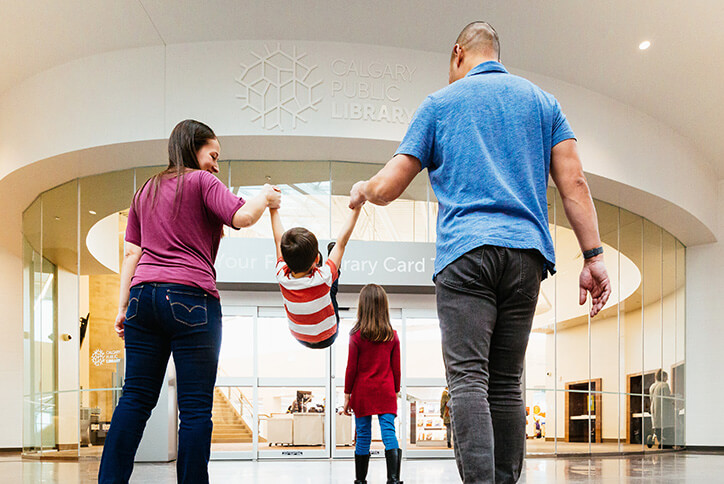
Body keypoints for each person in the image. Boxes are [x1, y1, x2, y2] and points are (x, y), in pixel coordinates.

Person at [349, 21, 611, 484]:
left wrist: (363, 189)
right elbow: (574, 182)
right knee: (507, 381)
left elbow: (389, 185)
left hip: (465, 253)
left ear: (458, 54)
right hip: (526, 256)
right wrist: (593, 257)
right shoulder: (542, 102)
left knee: (469, 378)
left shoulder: (439, 104)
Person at [98, 119, 281, 484]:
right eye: (213, 155)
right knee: (196, 410)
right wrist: (267, 196)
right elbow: (242, 216)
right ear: (193, 148)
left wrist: (122, 307)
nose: (216, 164)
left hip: (141, 298)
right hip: (191, 298)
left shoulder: (145, 191)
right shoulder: (202, 182)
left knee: (134, 400)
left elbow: (131, 253)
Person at [270, 204, 361, 349]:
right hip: (328, 335)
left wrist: (272, 207)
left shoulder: (282, 275)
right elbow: (341, 242)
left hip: (300, 336)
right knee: (330, 290)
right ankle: (334, 268)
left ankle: (334, 266)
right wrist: (357, 207)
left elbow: (278, 240)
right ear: (316, 260)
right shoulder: (323, 277)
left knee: (328, 282)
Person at [343, 284, 403, 484]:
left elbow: (351, 368)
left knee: (363, 435)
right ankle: (393, 480)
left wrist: (347, 395)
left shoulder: (356, 335)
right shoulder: (392, 336)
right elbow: (396, 369)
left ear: (363, 307)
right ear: (383, 307)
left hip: (362, 392)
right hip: (385, 391)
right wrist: (395, 391)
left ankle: (360, 481)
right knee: (388, 432)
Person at [650, 369, 675, 449]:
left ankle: (661, 442)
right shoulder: (664, 385)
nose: (667, 379)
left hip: (654, 409)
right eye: (666, 377)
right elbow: (667, 397)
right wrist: (674, 397)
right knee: (667, 427)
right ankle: (667, 443)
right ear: (664, 377)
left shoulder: (652, 386)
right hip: (664, 410)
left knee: (657, 427)